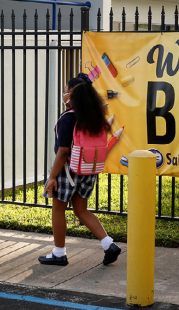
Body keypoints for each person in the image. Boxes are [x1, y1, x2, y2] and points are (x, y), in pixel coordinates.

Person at [38, 73, 121, 266]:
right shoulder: (95, 117)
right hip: (89, 169)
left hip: (68, 170)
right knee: (81, 210)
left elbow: (63, 151)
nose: (64, 95)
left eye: (66, 91)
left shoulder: (67, 119)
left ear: (73, 95)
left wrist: (52, 177)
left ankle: (59, 253)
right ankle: (109, 245)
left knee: (58, 210)